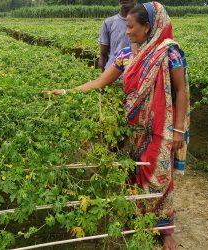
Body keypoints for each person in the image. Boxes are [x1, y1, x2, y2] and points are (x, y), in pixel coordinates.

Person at [43, 2, 190, 249]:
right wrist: (68, 91)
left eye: (132, 27)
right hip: (133, 126)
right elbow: (101, 81)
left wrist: (178, 130)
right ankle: (139, 219)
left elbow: (181, 91)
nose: (128, 31)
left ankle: (164, 230)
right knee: (135, 171)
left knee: (160, 176)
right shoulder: (125, 54)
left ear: (147, 27)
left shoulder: (169, 53)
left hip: (161, 127)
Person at [98, 0, 137, 72]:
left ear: (135, 1)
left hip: (134, 74)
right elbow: (103, 54)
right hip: (111, 74)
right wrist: (102, 76)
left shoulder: (143, 23)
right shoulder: (108, 22)